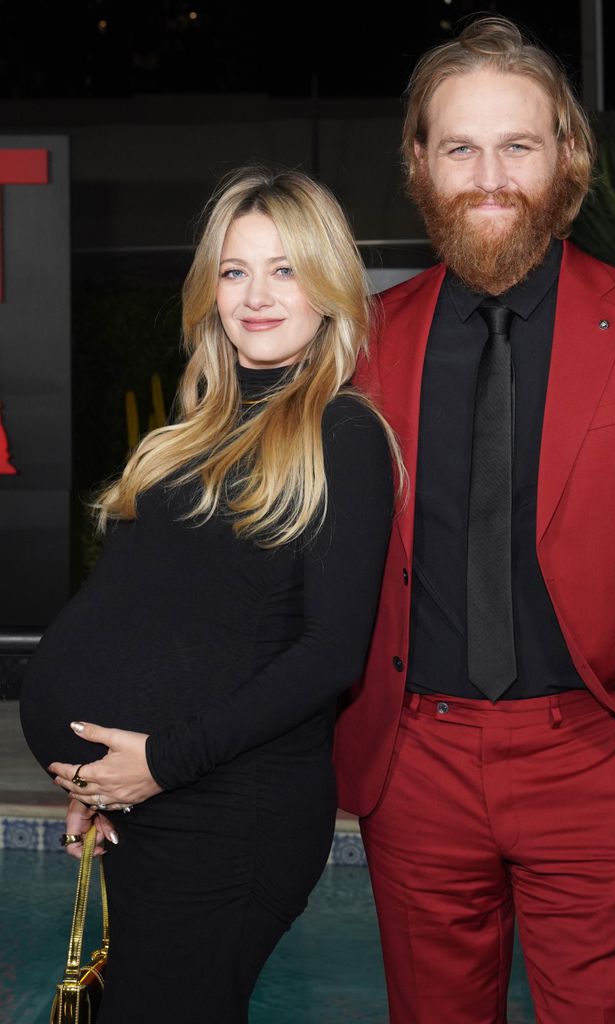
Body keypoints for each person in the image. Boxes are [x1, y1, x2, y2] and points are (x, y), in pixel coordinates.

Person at [332, 16, 615, 1024]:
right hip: (415, 767)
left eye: (516, 144)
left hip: (599, 759)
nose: (488, 176)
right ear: (417, 161)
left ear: (566, 155)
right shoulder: (363, 343)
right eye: (459, 147)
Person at [20, 164, 400, 1023]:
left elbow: (330, 655)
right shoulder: (183, 437)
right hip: (146, 806)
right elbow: (151, 612)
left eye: (285, 269)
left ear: (331, 289)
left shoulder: (342, 434)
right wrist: (96, 779)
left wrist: (158, 763)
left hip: (232, 817)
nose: (256, 295)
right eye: (235, 271)